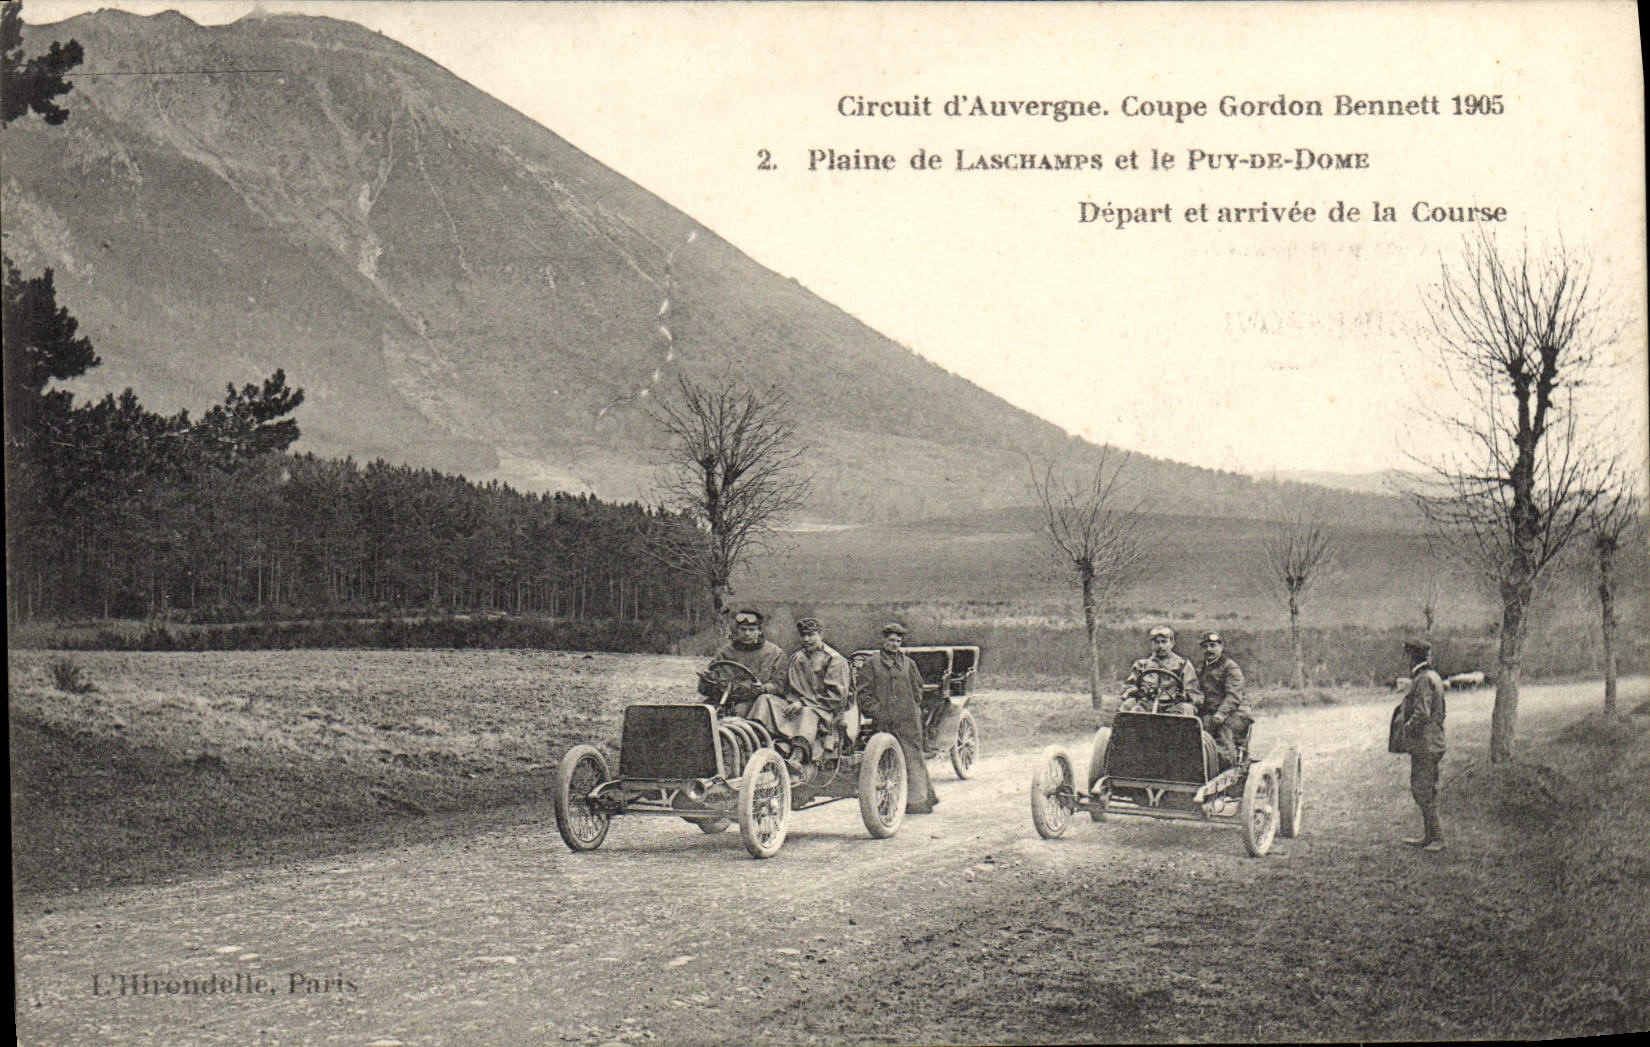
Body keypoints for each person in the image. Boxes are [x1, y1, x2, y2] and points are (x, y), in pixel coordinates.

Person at [852, 621, 939, 814]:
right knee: (886, 762)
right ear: (883, 641)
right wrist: (878, 712)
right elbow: (863, 694)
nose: (894, 644)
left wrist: (913, 709)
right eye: (891, 640)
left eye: (898, 641)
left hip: (908, 722)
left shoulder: (908, 664)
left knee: (913, 759)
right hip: (884, 723)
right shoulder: (871, 664)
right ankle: (889, 802)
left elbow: (918, 689)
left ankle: (920, 801)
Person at [747, 617, 853, 769]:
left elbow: (836, 698)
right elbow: (783, 686)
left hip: (822, 710)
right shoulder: (797, 657)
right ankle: (757, 742)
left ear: (821, 635)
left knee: (807, 713)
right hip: (793, 706)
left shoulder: (834, 660)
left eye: (811, 635)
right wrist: (764, 688)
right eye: (803, 635)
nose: (806, 639)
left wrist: (803, 703)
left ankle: (797, 755)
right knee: (765, 700)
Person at [1398, 638, 1447, 851]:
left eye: (1407, 655)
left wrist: (1406, 729)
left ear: (1411, 656)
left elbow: (1422, 714)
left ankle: (1437, 839)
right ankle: (1429, 837)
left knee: (1422, 790)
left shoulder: (1423, 679)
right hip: (1431, 742)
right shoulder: (1432, 676)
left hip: (1425, 745)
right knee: (1425, 789)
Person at [698, 609, 786, 717]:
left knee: (737, 714)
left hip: (757, 703)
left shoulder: (774, 653)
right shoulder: (724, 652)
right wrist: (707, 680)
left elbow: (781, 685)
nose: (747, 634)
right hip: (725, 700)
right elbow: (705, 689)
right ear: (737, 630)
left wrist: (763, 688)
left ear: (760, 631)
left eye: (751, 629)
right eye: (743, 629)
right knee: (700, 714)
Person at [1195, 631, 1253, 766]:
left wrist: (1221, 714)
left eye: (1212, 645)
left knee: (1222, 731)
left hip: (1234, 713)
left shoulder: (1230, 667)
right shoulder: (1200, 668)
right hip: (1210, 713)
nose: (1209, 650)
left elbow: (1234, 696)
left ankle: (1226, 764)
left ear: (1221, 647)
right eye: (1205, 646)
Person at [1119, 625, 1202, 715]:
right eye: (1156, 642)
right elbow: (1127, 688)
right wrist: (1136, 691)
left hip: (1174, 706)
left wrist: (1183, 696)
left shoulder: (1183, 665)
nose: (1160, 646)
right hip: (1147, 705)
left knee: (1187, 709)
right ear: (1151, 644)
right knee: (1129, 706)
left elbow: (1194, 693)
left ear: (1172, 643)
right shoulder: (1142, 665)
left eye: (1164, 642)